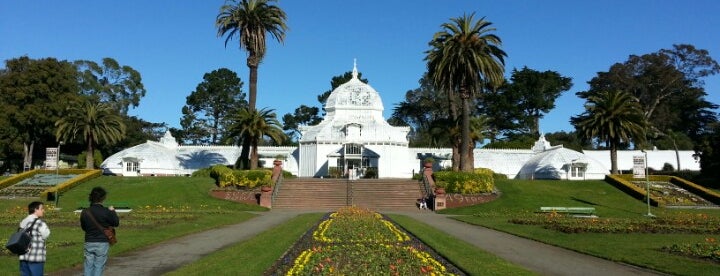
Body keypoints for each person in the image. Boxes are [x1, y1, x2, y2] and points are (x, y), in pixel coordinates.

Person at [80, 187, 120, 276]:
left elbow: (84, 227)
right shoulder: (106, 211)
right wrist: (113, 211)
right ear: (103, 198)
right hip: (102, 242)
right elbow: (116, 223)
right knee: (98, 266)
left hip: (89, 241)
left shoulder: (85, 212)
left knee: (88, 265)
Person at [19, 201, 50, 276]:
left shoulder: (23, 222)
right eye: (42, 208)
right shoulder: (40, 223)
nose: (43, 210)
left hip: (23, 256)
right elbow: (46, 235)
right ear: (36, 210)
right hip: (36, 257)